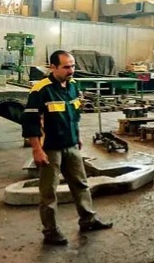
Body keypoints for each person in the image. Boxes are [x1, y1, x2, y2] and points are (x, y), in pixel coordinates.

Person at [22, 50, 112, 246]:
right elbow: (30, 122)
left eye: (72, 66)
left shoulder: (73, 85)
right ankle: (50, 231)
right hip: (50, 149)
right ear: (53, 67)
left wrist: (77, 136)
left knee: (81, 184)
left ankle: (88, 219)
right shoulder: (40, 90)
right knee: (49, 192)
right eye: (66, 67)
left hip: (70, 145)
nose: (71, 70)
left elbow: (74, 114)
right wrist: (37, 149)